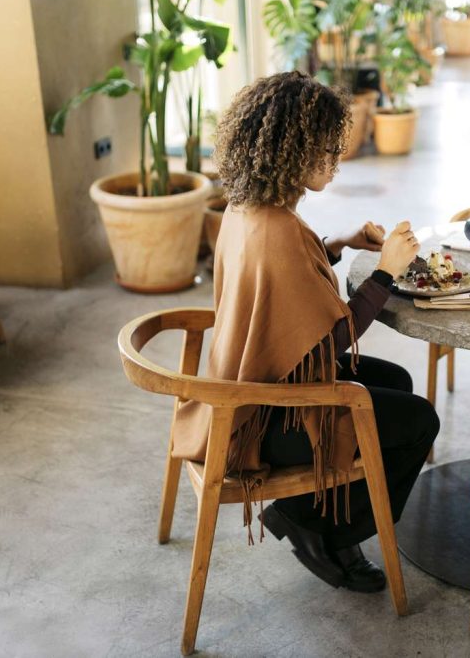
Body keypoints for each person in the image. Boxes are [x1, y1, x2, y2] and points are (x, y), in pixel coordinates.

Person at [173, 71, 440, 594]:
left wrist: (340, 243)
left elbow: (282, 282)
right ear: (290, 151)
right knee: (419, 420)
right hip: (266, 415)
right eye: (325, 152)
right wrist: (386, 271)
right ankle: (324, 533)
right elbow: (333, 341)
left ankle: (307, 512)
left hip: (248, 387)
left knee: (396, 380)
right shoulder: (280, 232)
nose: (334, 165)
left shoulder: (248, 207)